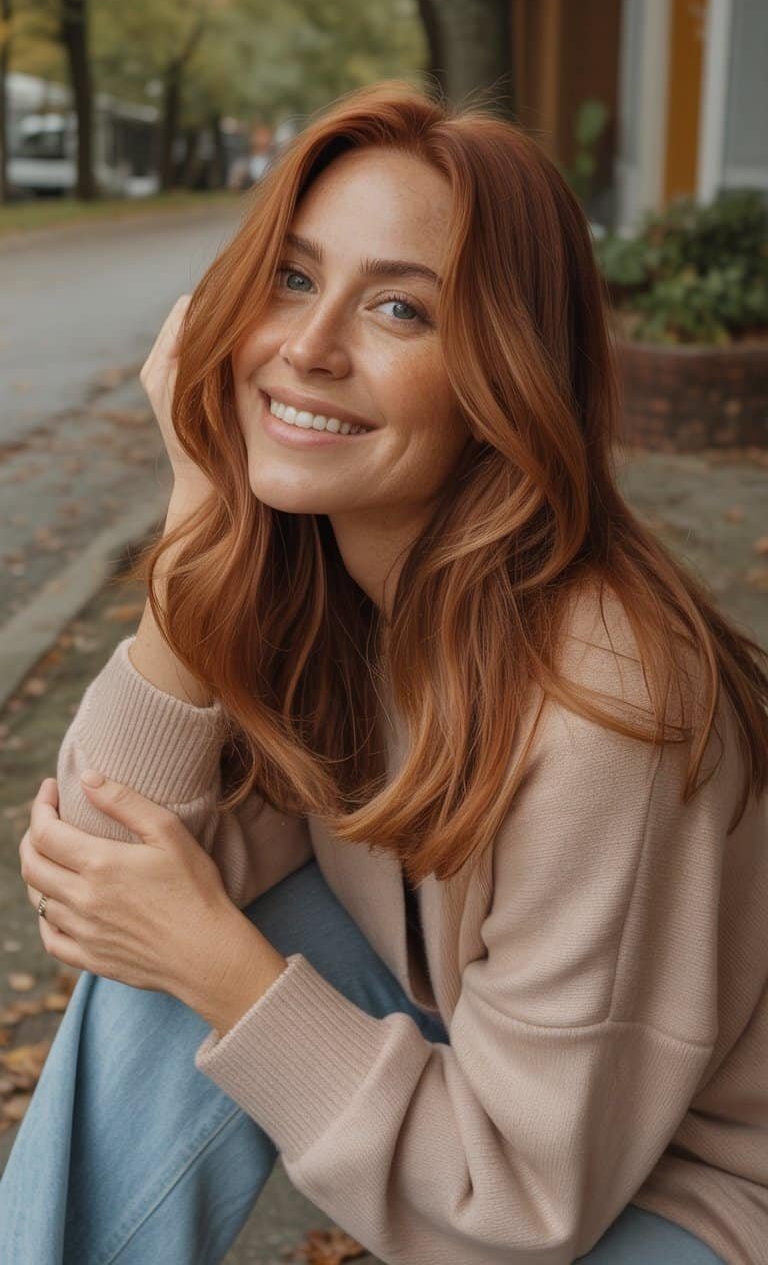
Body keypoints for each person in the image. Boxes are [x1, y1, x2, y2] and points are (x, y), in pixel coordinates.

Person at [1, 79, 766, 1264]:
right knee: (165, 927)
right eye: (293, 280)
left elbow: (520, 1211)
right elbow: (100, 882)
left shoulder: (606, 705)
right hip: (498, 1083)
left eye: (399, 310)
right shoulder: (331, 584)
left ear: (503, 375)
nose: (307, 349)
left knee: (196, 938)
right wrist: (196, 530)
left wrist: (221, 963)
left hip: (689, 1188)